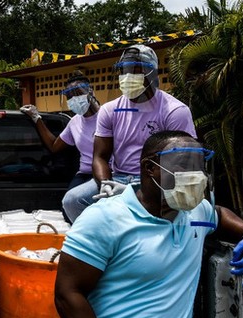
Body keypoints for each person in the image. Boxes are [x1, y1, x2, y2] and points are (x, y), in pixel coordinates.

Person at [55, 130, 243, 318]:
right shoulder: (105, 218)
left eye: (198, 168)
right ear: (149, 168)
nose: (194, 177)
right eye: (182, 167)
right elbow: (67, 293)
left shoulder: (195, 212)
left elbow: (219, 214)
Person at [62, 44, 197, 223]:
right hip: (117, 177)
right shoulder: (110, 110)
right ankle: (102, 245)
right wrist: (105, 184)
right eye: (124, 71)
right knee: (72, 200)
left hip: (155, 180)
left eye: (135, 71)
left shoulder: (174, 111)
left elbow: (184, 162)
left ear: (152, 74)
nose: (127, 77)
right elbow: (100, 157)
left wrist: (138, 190)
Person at [20, 71, 100, 222]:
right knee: (68, 208)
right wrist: (36, 118)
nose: (74, 99)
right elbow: (54, 146)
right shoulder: (74, 122)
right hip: (85, 174)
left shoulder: (108, 115)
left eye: (78, 94)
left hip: (109, 174)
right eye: (69, 97)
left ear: (90, 91)